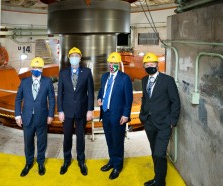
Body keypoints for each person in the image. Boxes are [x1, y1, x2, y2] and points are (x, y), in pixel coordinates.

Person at [139, 53, 181, 186]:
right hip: (149, 123)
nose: (149, 66)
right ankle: (157, 178)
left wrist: (172, 121)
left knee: (159, 154)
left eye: (152, 64)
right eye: (147, 65)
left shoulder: (168, 80)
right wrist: (142, 116)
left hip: (164, 123)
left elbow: (175, 102)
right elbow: (145, 99)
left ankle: (160, 183)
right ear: (144, 66)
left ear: (157, 65)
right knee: (154, 153)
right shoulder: (144, 80)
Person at [15, 57, 55, 177]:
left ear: (42, 69)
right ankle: (29, 163)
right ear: (31, 68)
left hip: (42, 117)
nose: (36, 70)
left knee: (42, 142)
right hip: (27, 117)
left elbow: (52, 100)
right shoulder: (24, 82)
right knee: (28, 142)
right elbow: (18, 99)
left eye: (39, 68)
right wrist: (17, 115)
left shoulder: (48, 82)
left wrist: (50, 115)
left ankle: (41, 163)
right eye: (34, 67)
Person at [57, 47, 94, 176]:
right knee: (67, 137)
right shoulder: (63, 73)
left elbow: (90, 93)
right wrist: (60, 110)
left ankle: (81, 161)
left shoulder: (87, 72)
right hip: (66, 111)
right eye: (72, 55)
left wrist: (90, 110)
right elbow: (60, 93)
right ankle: (66, 160)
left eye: (76, 55)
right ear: (69, 58)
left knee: (80, 137)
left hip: (81, 110)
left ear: (80, 57)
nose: (74, 57)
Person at [97, 52, 133, 180]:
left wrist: (126, 114)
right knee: (109, 140)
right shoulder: (104, 76)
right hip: (105, 114)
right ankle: (111, 161)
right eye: (111, 63)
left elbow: (129, 99)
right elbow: (102, 91)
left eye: (115, 63)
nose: (112, 65)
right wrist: (99, 98)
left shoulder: (125, 78)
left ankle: (118, 166)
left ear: (119, 64)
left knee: (117, 141)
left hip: (118, 116)